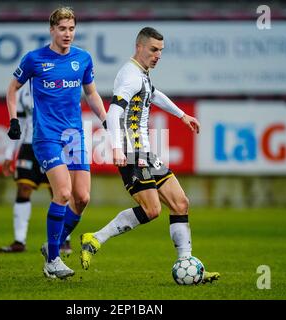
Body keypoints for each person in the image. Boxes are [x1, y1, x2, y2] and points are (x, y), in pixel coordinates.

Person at [80, 27, 220, 283]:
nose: (158, 56)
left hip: (145, 151)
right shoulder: (129, 76)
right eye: (154, 50)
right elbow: (113, 113)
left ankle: (186, 262)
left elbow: (154, 95)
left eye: (161, 51)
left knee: (180, 203)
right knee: (152, 209)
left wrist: (182, 115)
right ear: (140, 47)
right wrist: (116, 149)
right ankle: (96, 238)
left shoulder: (142, 75)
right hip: (131, 152)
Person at [6, 7, 106, 279]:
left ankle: (51, 245)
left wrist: (105, 118)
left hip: (74, 135)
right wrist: (13, 119)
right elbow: (12, 88)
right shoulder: (34, 59)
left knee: (83, 198)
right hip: (46, 136)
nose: (67, 34)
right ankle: (53, 259)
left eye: (71, 29)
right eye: (62, 29)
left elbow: (92, 93)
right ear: (51, 30)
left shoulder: (82, 59)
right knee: (62, 193)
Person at [0, 84, 72, 255]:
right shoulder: (23, 91)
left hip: (53, 144)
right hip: (29, 146)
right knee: (23, 188)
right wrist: (10, 153)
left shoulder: (58, 84)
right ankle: (19, 241)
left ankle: (64, 240)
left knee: (59, 192)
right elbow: (20, 123)